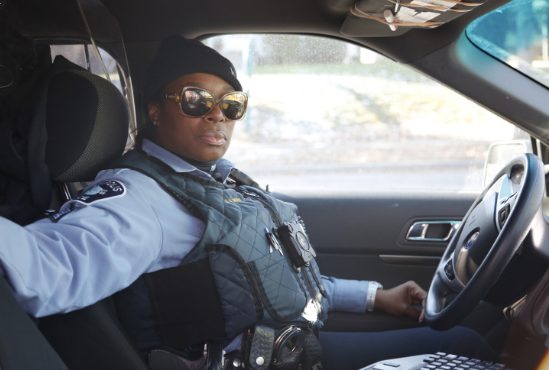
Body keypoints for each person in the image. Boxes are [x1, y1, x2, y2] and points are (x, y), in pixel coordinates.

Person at [0, 36, 496, 370]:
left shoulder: (216, 180)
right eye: (195, 100)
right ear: (154, 110)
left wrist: (375, 296)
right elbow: (46, 269)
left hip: (297, 345)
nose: (217, 115)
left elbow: (273, 276)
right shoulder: (141, 199)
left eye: (231, 105)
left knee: (465, 343)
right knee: (470, 346)